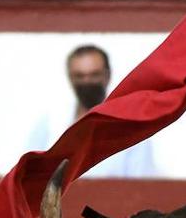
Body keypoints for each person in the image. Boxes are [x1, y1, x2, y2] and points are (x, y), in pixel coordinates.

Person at [24, 44, 157, 178]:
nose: (87, 82)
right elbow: (29, 173)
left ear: (107, 75)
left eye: (94, 75)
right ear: (71, 78)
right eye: (80, 76)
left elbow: (141, 182)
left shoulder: (129, 126)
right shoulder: (52, 123)